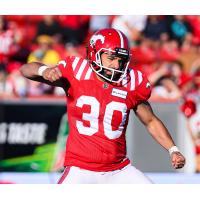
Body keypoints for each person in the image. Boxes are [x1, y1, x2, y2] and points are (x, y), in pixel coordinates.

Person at [20, 28, 185, 184]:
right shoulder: (76, 71)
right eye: (111, 58)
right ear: (94, 54)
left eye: (121, 60)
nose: (116, 65)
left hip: (119, 169)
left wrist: (173, 149)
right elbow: (26, 69)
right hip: (80, 169)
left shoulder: (130, 82)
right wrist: (45, 71)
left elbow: (150, 121)